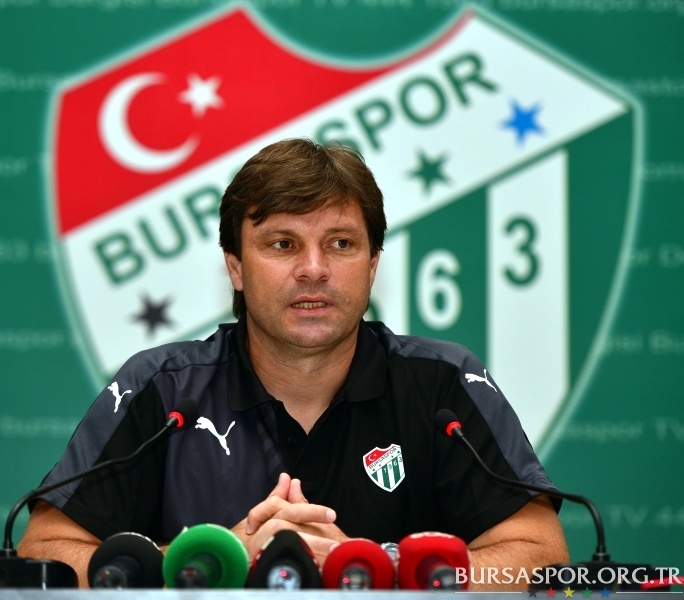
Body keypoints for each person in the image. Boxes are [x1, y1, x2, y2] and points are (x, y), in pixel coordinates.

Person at [18, 138, 569, 589]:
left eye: (341, 243)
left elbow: (541, 558)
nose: (313, 269)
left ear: (372, 265)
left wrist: (376, 567)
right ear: (236, 267)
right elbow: (45, 552)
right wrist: (217, 559)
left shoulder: (442, 383)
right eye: (282, 244)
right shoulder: (162, 390)